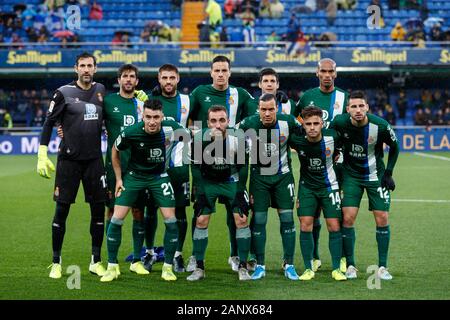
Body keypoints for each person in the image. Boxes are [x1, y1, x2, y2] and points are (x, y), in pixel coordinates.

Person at [100, 99, 190, 282]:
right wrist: (118, 179)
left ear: (162, 116)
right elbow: (115, 151)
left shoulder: (171, 127)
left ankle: (167, 268)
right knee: (116, 219)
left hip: (160, 177)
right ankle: (112, 266)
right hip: (134, 177)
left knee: (171, 221)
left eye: (156, 117)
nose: (152, 121)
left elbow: (191, 138)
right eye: (148, 117)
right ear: (143, 116)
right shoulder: (131, 131)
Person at [37, 52, 107, 279]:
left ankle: (96, 261)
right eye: (82, 66)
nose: (86, 69)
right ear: (76, 68)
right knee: (61, 211)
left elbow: (111, 116)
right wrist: (42, 152)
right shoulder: (63, 93)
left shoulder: (102, 91)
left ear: (95, 69)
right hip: (68, 162)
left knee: (98, 211)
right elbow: (49, 122)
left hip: (95, 161)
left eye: (90, 66)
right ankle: (56, 262)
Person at [187, 55, 256, 273]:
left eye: (224, 70)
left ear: (230, 72)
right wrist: (197, 134)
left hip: (232, 163)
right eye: (216, 70)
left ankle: (237, 257)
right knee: (200, 214)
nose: (220, 74)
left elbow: (255, 117)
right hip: (206, 164)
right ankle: (194, 258)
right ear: (211, 72)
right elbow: (186, 118)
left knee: (236, 215)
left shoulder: (240, 94)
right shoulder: (199, 92)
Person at [330, 90, 399, 280]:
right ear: (348, 109)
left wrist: (389, 172)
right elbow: (328, 137)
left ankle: (383, 267)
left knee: (382, 218)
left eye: (361, 106)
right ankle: (351, 265)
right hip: (351, 176)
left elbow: (395, 147)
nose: (358, 110)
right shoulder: (339, 122)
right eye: (354, 106)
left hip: (376, 176)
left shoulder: (381, 125)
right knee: (348, 218)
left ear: (367, 107)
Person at [237, 93, 302, 281]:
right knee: (258, 221)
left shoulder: (288, 122)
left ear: (277, 109)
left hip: (283, 177)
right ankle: (260, 265)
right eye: (263, 109)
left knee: (288, 220)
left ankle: (288, 264)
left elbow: (305, 136)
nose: (267, 113)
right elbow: (233, 139)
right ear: (258, 109)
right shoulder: (248, 123)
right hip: (259, 179)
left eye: (271, 109)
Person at [135, 64, 192, 273]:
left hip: (179, 167)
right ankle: (149, 253)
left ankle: (177, 254)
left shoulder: (187, 100)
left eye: (172, 78)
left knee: (180, 211)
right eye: (164, 78)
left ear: (178, 79)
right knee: (151, 210)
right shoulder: (147, 102)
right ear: (159, 79)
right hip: (153, 166)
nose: (168, 81)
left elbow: (201, 120)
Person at [293, 58, 349, 273]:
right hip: (313, 162)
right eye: (323, 71)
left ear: (335, 74)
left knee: (339, 215)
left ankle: (342, 258)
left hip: (339, 165)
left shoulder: (344, 96)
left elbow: (347, 127)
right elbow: (295, 121)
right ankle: (314, 257)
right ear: (317, 73)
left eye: (330, 71)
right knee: (311, 215)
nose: (327, 75)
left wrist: (341, 151)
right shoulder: (308, 96)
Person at [187, 105, 252, 281]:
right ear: (208, 122)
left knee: (241, 219)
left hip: (231, 181)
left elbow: (244, 166)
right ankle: (199, 267)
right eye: (213, 121)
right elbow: (194, 166)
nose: (218, 124)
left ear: (228, 121)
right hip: (208, 183)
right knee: (201, 220)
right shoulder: (199, 138)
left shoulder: (237, 137)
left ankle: (243, 266)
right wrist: (200, 189)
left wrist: (240, 190)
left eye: (222, 120)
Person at [289, 106, 347, 281]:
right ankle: (308, 268)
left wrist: (338, 155)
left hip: (330, 186)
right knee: (305, 225)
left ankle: (337, 268)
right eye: (308, 124)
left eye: (316, 123)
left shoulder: (333, 137)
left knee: (334, 226)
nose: (312, 127)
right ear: (303, 126)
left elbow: (345, 146)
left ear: (322, 123)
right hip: (307, 188)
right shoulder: (297, 141)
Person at [103, 64, 149, 276]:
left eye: (132, 77)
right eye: (125, 76)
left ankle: (137, 260)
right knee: (113, 211)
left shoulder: (142, 105)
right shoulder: (108, 101)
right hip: (114, 166)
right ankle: (111, 262)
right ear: (119, 80)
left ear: (137, 81)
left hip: (139, 166)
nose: (128, 80)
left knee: (139, 211)